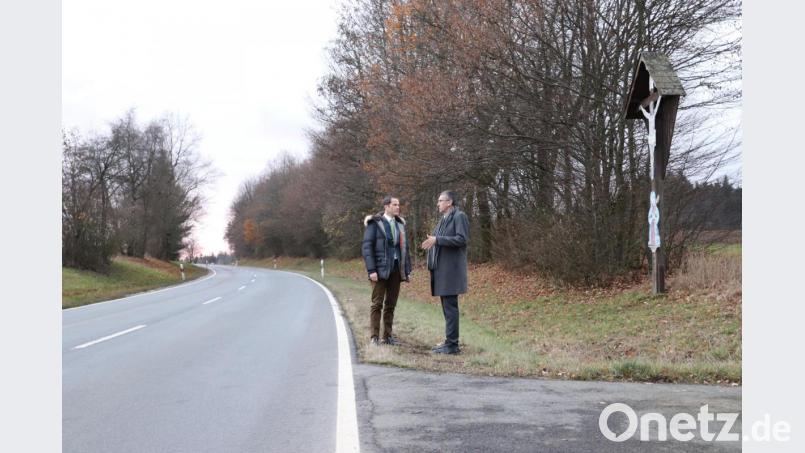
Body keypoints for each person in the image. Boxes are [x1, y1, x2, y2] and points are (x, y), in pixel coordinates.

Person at [420, 190, 469, 354]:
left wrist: (437, 239)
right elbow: (439, 239)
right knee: (447, 309)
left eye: (441, 200)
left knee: (450, 309)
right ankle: (449, 341)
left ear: (449, 202)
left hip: (452, 272)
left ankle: (453, 346)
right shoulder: (444, 219)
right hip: (442, 270)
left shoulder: (459, 216)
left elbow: (462, 239)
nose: (438, 203)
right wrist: (433, 239)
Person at [362, 196, 411, 346]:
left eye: (398, 205)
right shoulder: (374, 223)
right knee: (377, 304)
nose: (398, 207)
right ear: (386, 206)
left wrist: (407, 270)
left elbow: (404, 249)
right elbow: (367, 248)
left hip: (396, 269)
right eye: (394, 205)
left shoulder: (400, 224)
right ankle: (374, 337)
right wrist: (371, 270)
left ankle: (387, 337)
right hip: (379, 269)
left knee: (391, 304)